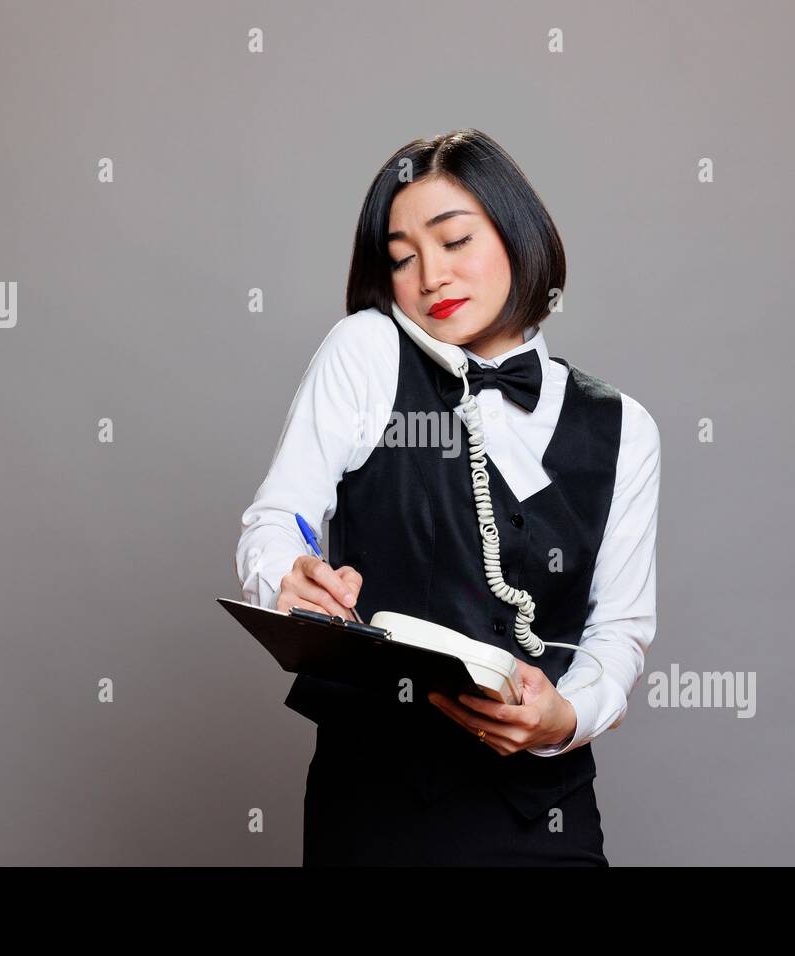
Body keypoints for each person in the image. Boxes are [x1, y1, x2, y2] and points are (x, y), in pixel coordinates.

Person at [234, 128, 661, 866]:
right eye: (402, 257)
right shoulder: (366, 352)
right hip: (377, 803)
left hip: (544, 813)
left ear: (516, 234)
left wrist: (564, 718)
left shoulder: (624, 427)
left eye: (455, 240)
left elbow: (618, 632)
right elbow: (278, 521)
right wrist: (288, 573)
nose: (430, 275)